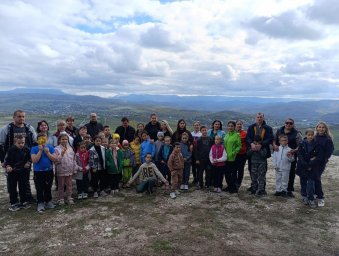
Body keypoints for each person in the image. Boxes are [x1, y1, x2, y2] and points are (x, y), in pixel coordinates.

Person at [0, 110, 37, 203]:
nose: (21, 118)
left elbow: (35, 142)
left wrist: (31, 158)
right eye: (19, 116)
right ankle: (14, 200)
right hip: (11, 160)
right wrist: (2, 160)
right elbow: (1, 145)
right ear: (14, 117)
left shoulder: (29, 128)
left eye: (23, 116)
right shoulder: (6, 129)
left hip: (26, 159)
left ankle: (27, 198)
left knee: (25, 179)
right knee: (11, 181)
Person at [272, 118, 302, 197]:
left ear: (293, 124)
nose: (288, 124)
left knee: (291, 173)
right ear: (284, 123)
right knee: (279, 177)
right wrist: (274, 145)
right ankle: (279, 190)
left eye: (290, 123)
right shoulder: (279, 130)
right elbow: (274, 139)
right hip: (279, 154)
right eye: (287, 123)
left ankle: (288, 190)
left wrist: (294, 151)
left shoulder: (297, 133)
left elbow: (300, 145)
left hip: (291, 153)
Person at [246, 112, 274, 192]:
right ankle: (253, 186)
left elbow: (270, 138)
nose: (259, 118)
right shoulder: (251, 127)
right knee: (252, 170)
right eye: (258, 117)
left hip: (263, 151)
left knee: (262, 172)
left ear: (263, 118)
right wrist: (251, 144)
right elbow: (248, 137)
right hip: (252, 151)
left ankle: (262, 189)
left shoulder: (268, 128)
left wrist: (261, 145)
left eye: (261, 117)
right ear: (256, 118)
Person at [296, 129, 323, 207]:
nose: (310, 136)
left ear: (314, 135)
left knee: (311, 183)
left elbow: (319, 157)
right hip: (303, 166)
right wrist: (306, 165)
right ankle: (304, 197)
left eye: (312, 135)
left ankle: (311, 199)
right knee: (303, 182)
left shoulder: (317, 145)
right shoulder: (301, 144)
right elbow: (300, 155)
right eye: (309, 135)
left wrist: (310, 164)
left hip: (313, 167)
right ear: (306, 135)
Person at [4, 135, 32, 211]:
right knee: (12, 188)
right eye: (19, 143)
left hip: (23, 171)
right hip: (12, 172)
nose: (21, 144)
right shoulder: (10, 150)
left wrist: (28, 163)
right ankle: (14, 203)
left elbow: (30, 158)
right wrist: (8, 166)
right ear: (14, 142)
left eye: (23, 143)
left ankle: (23, 201)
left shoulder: (27, 149)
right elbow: (7, 161)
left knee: (23, 187)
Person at [31, 133, 57, 213]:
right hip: (38, 172)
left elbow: (54, 159)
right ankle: (40, 203)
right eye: (40, 139)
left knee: (48, 187)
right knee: (39, 188)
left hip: (49, 171)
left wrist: (47, 152)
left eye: (44, 138)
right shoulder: (34, 148)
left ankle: (48, 201)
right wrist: (40, 150)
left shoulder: (50, 147)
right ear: (37, 140)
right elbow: (34, 160)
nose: (42, 140)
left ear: (46, 139)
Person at [55, 133, 79, 205]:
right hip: (61, 170)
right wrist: (61, 154)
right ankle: (61, 198)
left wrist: (74, 168)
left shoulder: (70, 148)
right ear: (59, 140)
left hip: (69, 170)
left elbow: (73, 159)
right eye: (63, 139)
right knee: (61, 185)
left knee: (69, 185)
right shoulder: (56, 149)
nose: (64, 141)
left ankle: (69, 197)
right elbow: (56, 161)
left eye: (66, 139)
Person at [314, 121, 334, 207]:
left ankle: (321, 197)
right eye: (319, 127)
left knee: (317, 178)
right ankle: (314, 193)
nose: (321, 128)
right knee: (312, 178)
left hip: (320, 163)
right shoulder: (313, 137)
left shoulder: (328, 140)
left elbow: (329, 152)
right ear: (317, 128)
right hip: (312, 162)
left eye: (323, 127)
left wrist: (324, 160)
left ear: (325, 129)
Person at [223, 121, 241, 193]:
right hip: (225, 157)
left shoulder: (236, 135)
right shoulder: (226, 135)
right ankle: (229, 186)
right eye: (229, 126)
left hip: (233, 158)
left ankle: (234, 188)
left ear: (234, 127)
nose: (230, 127)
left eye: (232, 126)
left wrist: (234, 153)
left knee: (233, 173)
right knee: (227, 173)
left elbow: (239, 146)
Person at [234, 120, 247, 189]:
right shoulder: (233, 133)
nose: (239, 125)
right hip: (234, 154)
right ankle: (235, 181)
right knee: (234, 169)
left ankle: (238, 183)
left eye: (240, 124)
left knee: (240, 169)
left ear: (242, 125)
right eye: (237, 124)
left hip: (242, 154)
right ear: (235, 125)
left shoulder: (245, 133)